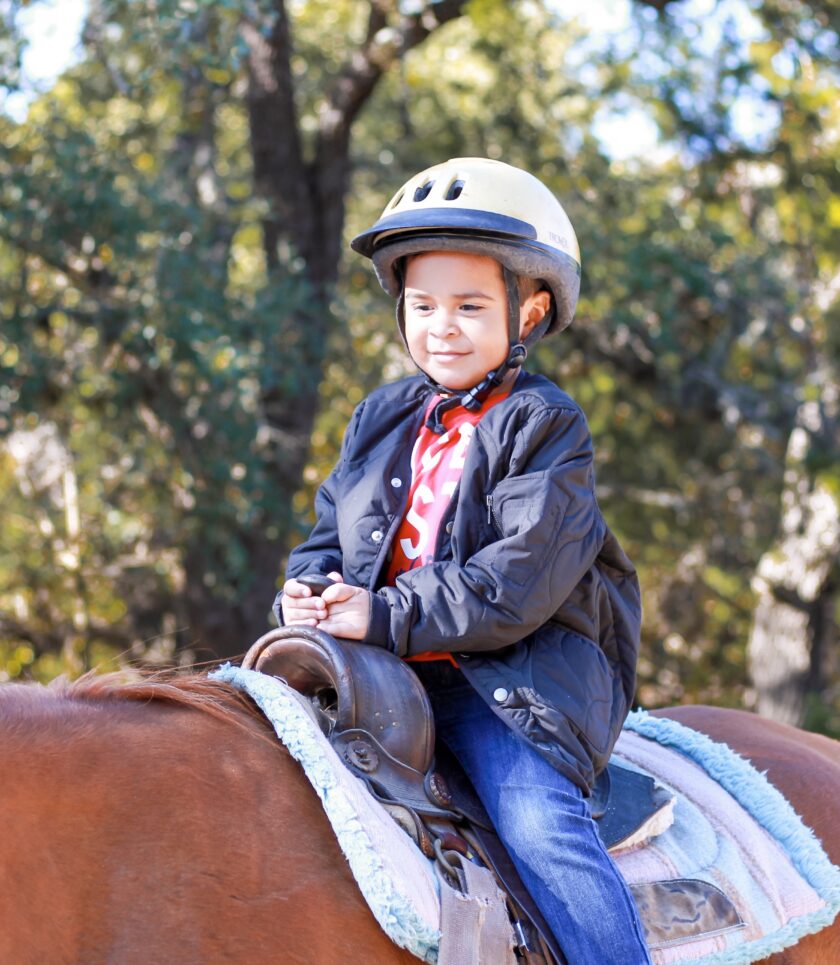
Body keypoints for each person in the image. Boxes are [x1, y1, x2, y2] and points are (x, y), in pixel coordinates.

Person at [274, 157, 651, 964]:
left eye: (470, 306)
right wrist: (305, 595)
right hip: (375, 676)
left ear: (531, 311)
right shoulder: (380, 418)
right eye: (424, 305)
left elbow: (519, 580)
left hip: (505, 684)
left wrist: (382, 614)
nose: (442, 326)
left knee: (538, 825)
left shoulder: (544, 426)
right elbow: (327, 536)